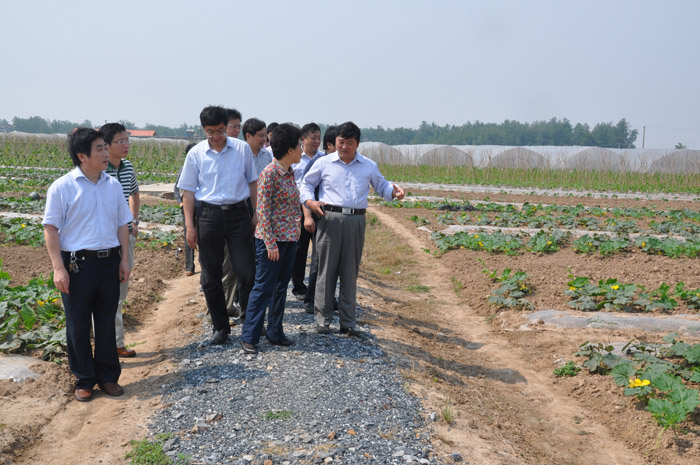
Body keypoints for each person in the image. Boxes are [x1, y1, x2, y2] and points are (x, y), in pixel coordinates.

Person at [43, 128, 132, 402]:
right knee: (78, 325)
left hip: (109, 261)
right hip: (77, 265)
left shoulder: (113, 185)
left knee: (106, 321)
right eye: (100, 149)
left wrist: (124, 259)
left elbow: (122, 224)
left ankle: (108, 377)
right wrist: (58, 268)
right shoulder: (62, 187)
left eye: (106, 147)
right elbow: (51, 228)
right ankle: (84, 379)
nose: (106, 153)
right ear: (82, 156)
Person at [300, 122, 405, 336]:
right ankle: (322, 321)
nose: (344, 147)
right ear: (335, 142)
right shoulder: (324, 163)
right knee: (326, 271)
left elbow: (382, 186)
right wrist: (310, 202)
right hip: (329, 218)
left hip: (356, 220)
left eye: (349, 143)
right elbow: (305, 183)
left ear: (357, 144)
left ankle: (348, 322)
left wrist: (394, 192)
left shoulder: (368, 165)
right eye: (341, 142)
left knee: (350, 272)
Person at [177, 106, 258, 345]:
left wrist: (256, 213)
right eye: (210, 132)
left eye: (221, 131)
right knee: (210, 276)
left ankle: (250, 323)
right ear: (204, 130)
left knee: (247, 272)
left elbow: (253, 183)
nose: (216, 136)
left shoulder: (242, 149)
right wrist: (190, 226)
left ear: (228, 127)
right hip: (208, 216)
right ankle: (220, 327)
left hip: (238, 215)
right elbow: (187, 192)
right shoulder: (196, 154)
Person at [240, 123, 302, 354]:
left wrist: (296, 226)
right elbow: (263, 211)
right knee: (263, 288)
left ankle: (275, 332)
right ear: (289, 150)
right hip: (271, 242)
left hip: (288, 240)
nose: (302, 150)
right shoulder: (269, 173)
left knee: (280, 288)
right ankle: (249, 337)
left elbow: (293, 205)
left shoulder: (290, 172)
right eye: (299, 146)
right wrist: (270, 243)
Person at [225, 118, 273, 319]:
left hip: (261, 210)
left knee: (254, 262)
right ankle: (229, 304)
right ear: (248, 136)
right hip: (242, 209)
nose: (264, 139)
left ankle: (250, 309)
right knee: (234, 263)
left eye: (265, 135)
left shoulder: (266, 156)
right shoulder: (238, 155)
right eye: (260, 136)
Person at [101, 123, 140, 358]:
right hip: (104, 240)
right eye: (120, 141)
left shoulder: (128, 167)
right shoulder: (99, 171)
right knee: (107, 292)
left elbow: (134, 193)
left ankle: (115, 342)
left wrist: (134, 220)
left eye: (127, 140)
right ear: (106, 145)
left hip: (125, 236)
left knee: (120, 290)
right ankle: (114, 343)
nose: (126, 145)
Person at [301, 125, 338, 313]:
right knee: (318, 260)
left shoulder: (340, 164)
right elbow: (305, 190)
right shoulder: (319, 163)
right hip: (318, 217)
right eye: (340, 143)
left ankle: (328, 298)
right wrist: (308, 216)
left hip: (334, 219)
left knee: (333, 261)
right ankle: (310, 299)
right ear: (330, 145)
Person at [291, 123, 323, 300]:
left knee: (319, 249)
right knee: (300, 248)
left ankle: (316, 288)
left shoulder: (324, 158)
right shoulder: (296, 158)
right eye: (313, 138)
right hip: (298, 208)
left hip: (319, 207)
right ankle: (298, 286)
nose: (317, 141)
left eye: (319, 137)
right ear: (303, 139)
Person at [174, 142, 198, 277]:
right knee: (189, 234)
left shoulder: (204, 167)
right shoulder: (184, 169)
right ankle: (189, 266)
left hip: (202, 207)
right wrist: (181, 203)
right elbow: (176, 188)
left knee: (203, 235)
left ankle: (203, 264)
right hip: (187, 208)